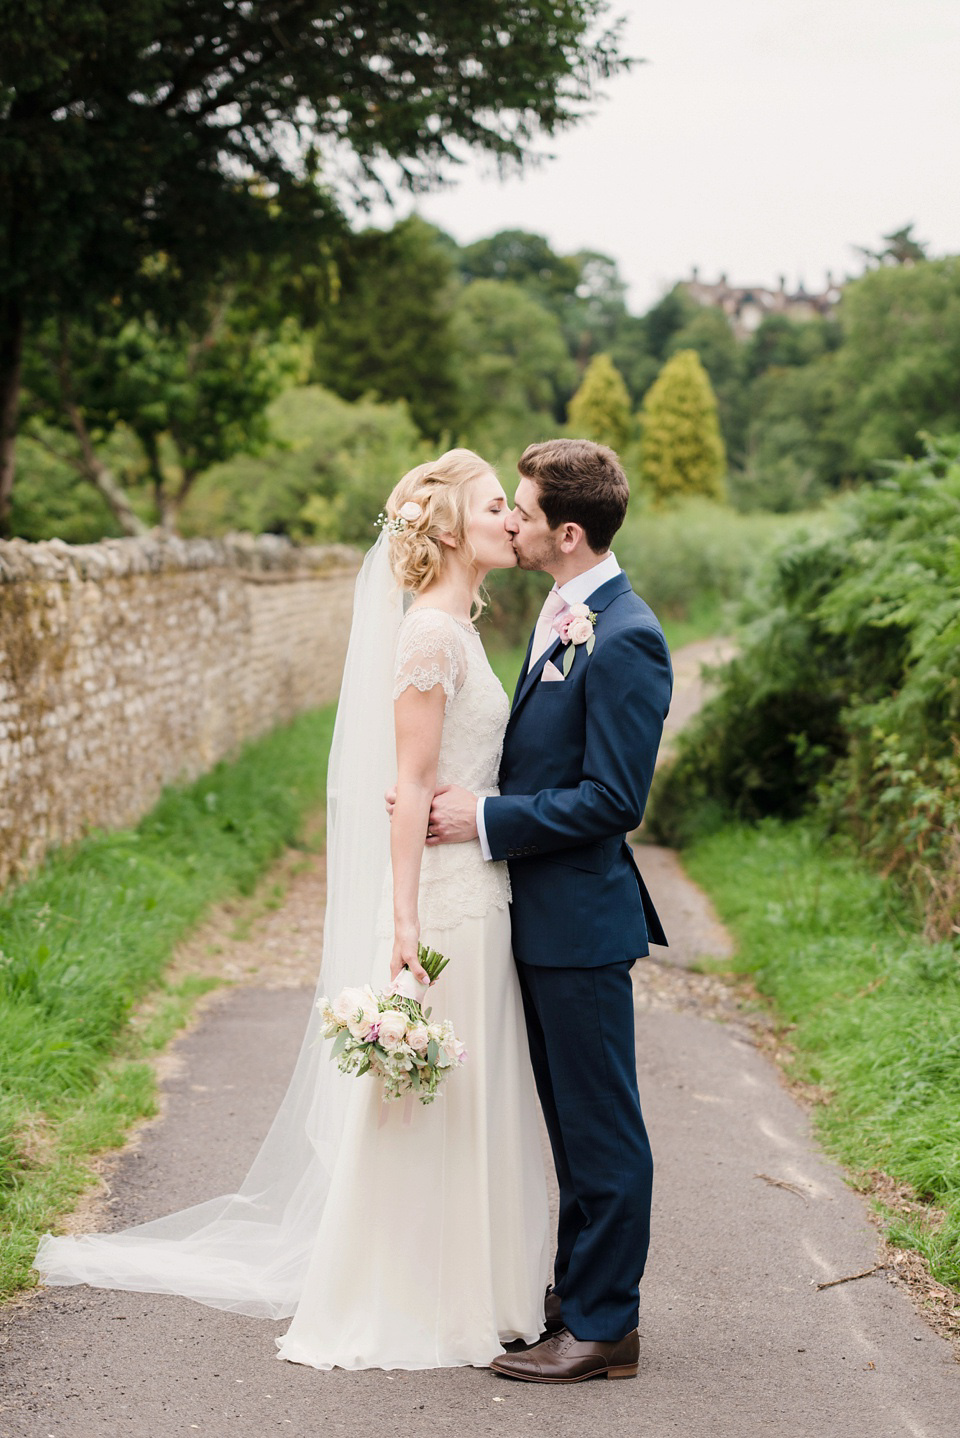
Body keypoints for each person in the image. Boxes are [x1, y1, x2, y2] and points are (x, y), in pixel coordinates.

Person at [34, 448, 550, 1372]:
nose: (510, 519)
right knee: (429, 1105)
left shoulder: (461, 633)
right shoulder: (430, 636)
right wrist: (403, 924)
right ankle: (405, 1298)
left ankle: (472, 1287)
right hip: (444, 906)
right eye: (493, 506)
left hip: (481, 887)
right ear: (444, 528)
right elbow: (408, 783)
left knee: (464, 1099)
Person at [423, 438, 673, 1384]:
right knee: (570, 1124)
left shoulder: (626, 633)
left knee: (602, 1128)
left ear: (568, 533)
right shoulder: (562, 614)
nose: (511, 521)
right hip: (540, 920)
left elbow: (615, 800)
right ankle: (578, 1298)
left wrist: (486, 818)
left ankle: (606, 1329)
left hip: (581, 926)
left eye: (523, 511)